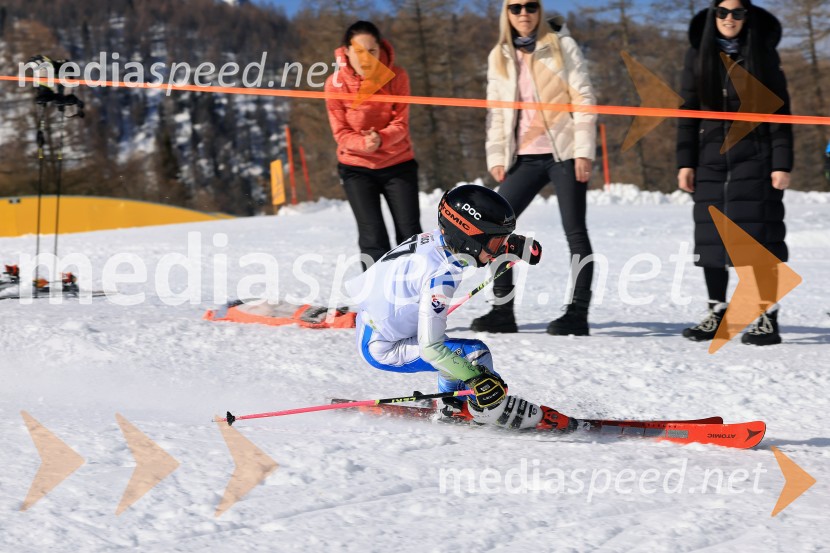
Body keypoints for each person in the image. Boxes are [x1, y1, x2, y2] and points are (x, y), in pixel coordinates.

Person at [345, 184, 574, 431]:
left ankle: (451, 403)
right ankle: (487, 411)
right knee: (475, 356)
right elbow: (431, 348)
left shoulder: (442, 241)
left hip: (378, 324)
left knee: (457, 355)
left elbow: (475, 247)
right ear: (470, 239)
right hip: (384, 346)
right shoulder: (441, 276)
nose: (499, 249)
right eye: (498, 242)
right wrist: (477, 379)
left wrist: (511, 246)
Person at [475, 1, 598, 336]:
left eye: (530, 5)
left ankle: (577, 314)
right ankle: (502, 311)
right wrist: (497, 157)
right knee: (494, 229)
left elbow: (584, 98)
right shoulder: (499, 55)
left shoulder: (562, 45)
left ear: (539, 10)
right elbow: (496, 112)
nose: (523, 12)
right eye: (515, 7)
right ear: (507, 14)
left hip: (565, 153)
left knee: (575, 231)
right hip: (524, 157)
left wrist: (584, 151)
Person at [677, 0, 793, 346]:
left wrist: (781, 163)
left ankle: (766, 316)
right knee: (711, 238)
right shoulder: (698, 54)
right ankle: (717, 311)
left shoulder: (762, 54)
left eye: (737, 12)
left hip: (755, 159)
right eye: (723, 12)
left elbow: (782, 112)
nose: (730, 19)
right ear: (714, 16)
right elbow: (688, 112)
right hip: (710, 159)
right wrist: (685, 162)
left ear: (747, 17)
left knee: (758, 238)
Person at [325, 21, 422, 271]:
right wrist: (363, 143)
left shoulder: (397, 76)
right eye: (359, 51)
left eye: (372, 51)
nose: (366, 58)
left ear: (381, 50)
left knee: (410, 234)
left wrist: (380, 139)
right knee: (372, 237)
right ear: (346, 52)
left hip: (398, 163)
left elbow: (401, 123)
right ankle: (376, 300)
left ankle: (416, 291)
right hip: (356, 167)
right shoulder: (334, 84)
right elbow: (341, 132)